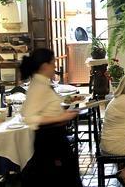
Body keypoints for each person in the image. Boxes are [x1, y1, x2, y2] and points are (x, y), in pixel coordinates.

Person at [20, 48, 81, 186]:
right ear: (44, 66)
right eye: (53, 63)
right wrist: (60, 118)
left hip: (54, 138)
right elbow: (29, 117)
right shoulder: (38, 86)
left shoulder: (43, 83)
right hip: (49, 140)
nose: (55, 67)